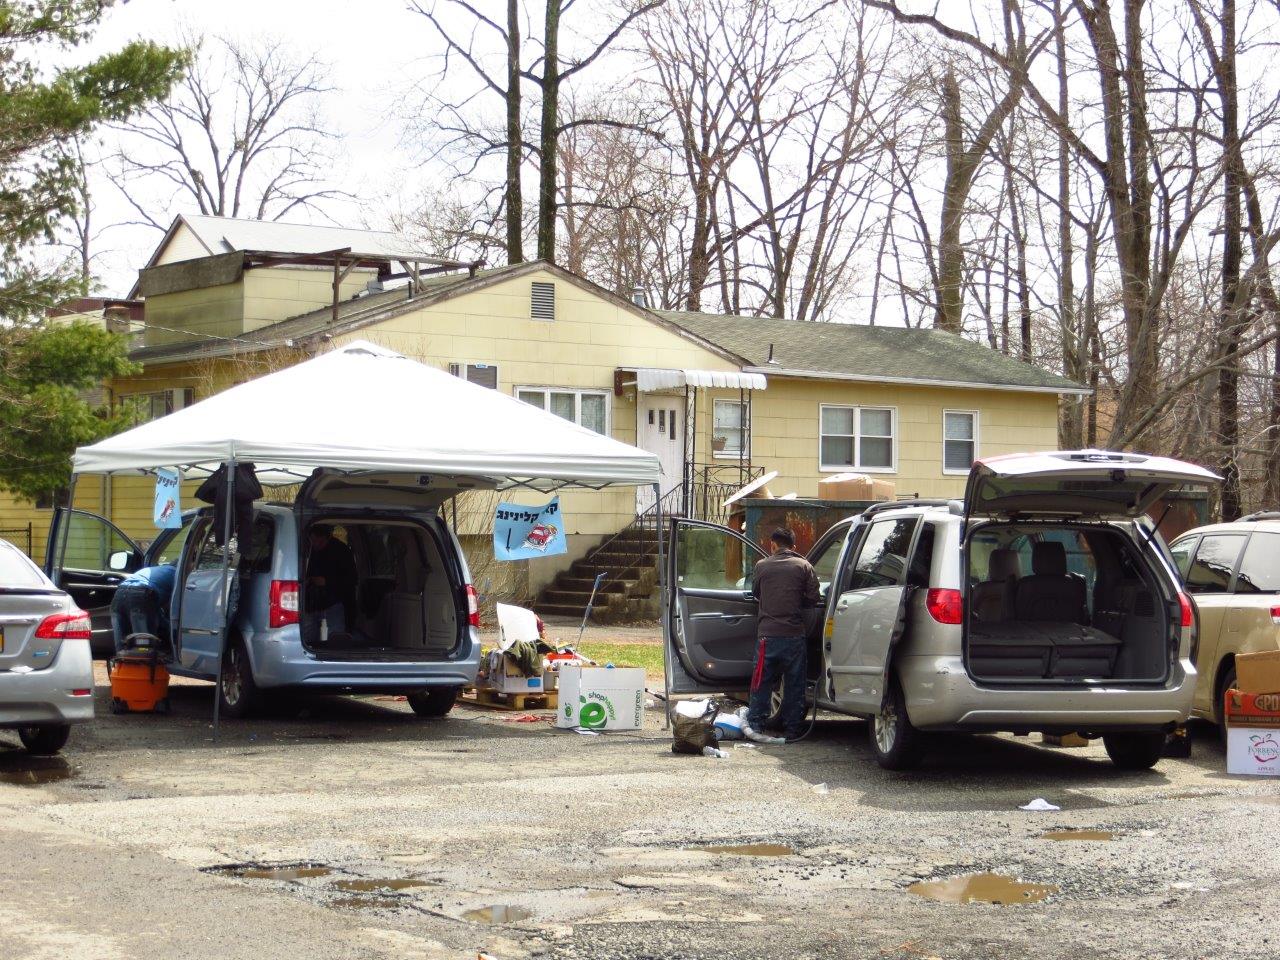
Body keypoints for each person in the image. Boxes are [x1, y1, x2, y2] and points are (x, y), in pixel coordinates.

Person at [746, 527, 820, 741]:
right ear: (794, 547)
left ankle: (756, 727)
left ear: (773, 544)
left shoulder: (762, 566)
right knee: (795, 684)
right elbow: (813, 598)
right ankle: (793, 729)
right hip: (794, 635)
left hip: (767, 637)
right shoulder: (804, 566)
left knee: (761, 682)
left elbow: (755, 593)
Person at [110, 563, 177, 652]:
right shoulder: (177, 573)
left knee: (122, 643)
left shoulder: (157, 570)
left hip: (119, 593)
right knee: (144, 643)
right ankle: (145, 662)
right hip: (141, 593)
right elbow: (175, 606)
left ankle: (122, 663)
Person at [305, 525, 357, 636]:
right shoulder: (309, 551)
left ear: (325, 537)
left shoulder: (342, 551)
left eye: (317, 541)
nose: (314, 544)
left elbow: (351, 579)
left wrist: (327, 581)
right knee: (309, 634)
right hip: (312, 600)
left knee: (336, 633)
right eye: (312, 540)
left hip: (335, 600)